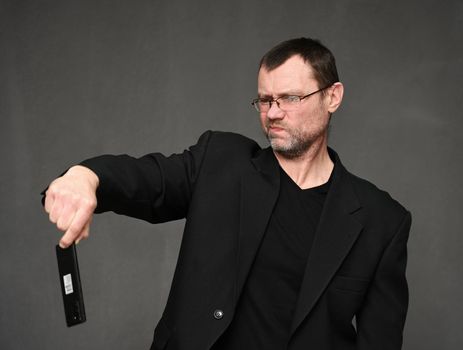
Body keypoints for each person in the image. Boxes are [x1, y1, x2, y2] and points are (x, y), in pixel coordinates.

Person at [43, 38, 411, 350]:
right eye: (265, 100)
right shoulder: (221, 162)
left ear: (332, 97)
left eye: (290, 98)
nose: (273, 113)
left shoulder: (381, 220)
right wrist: (85, 176)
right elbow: (148, 178)